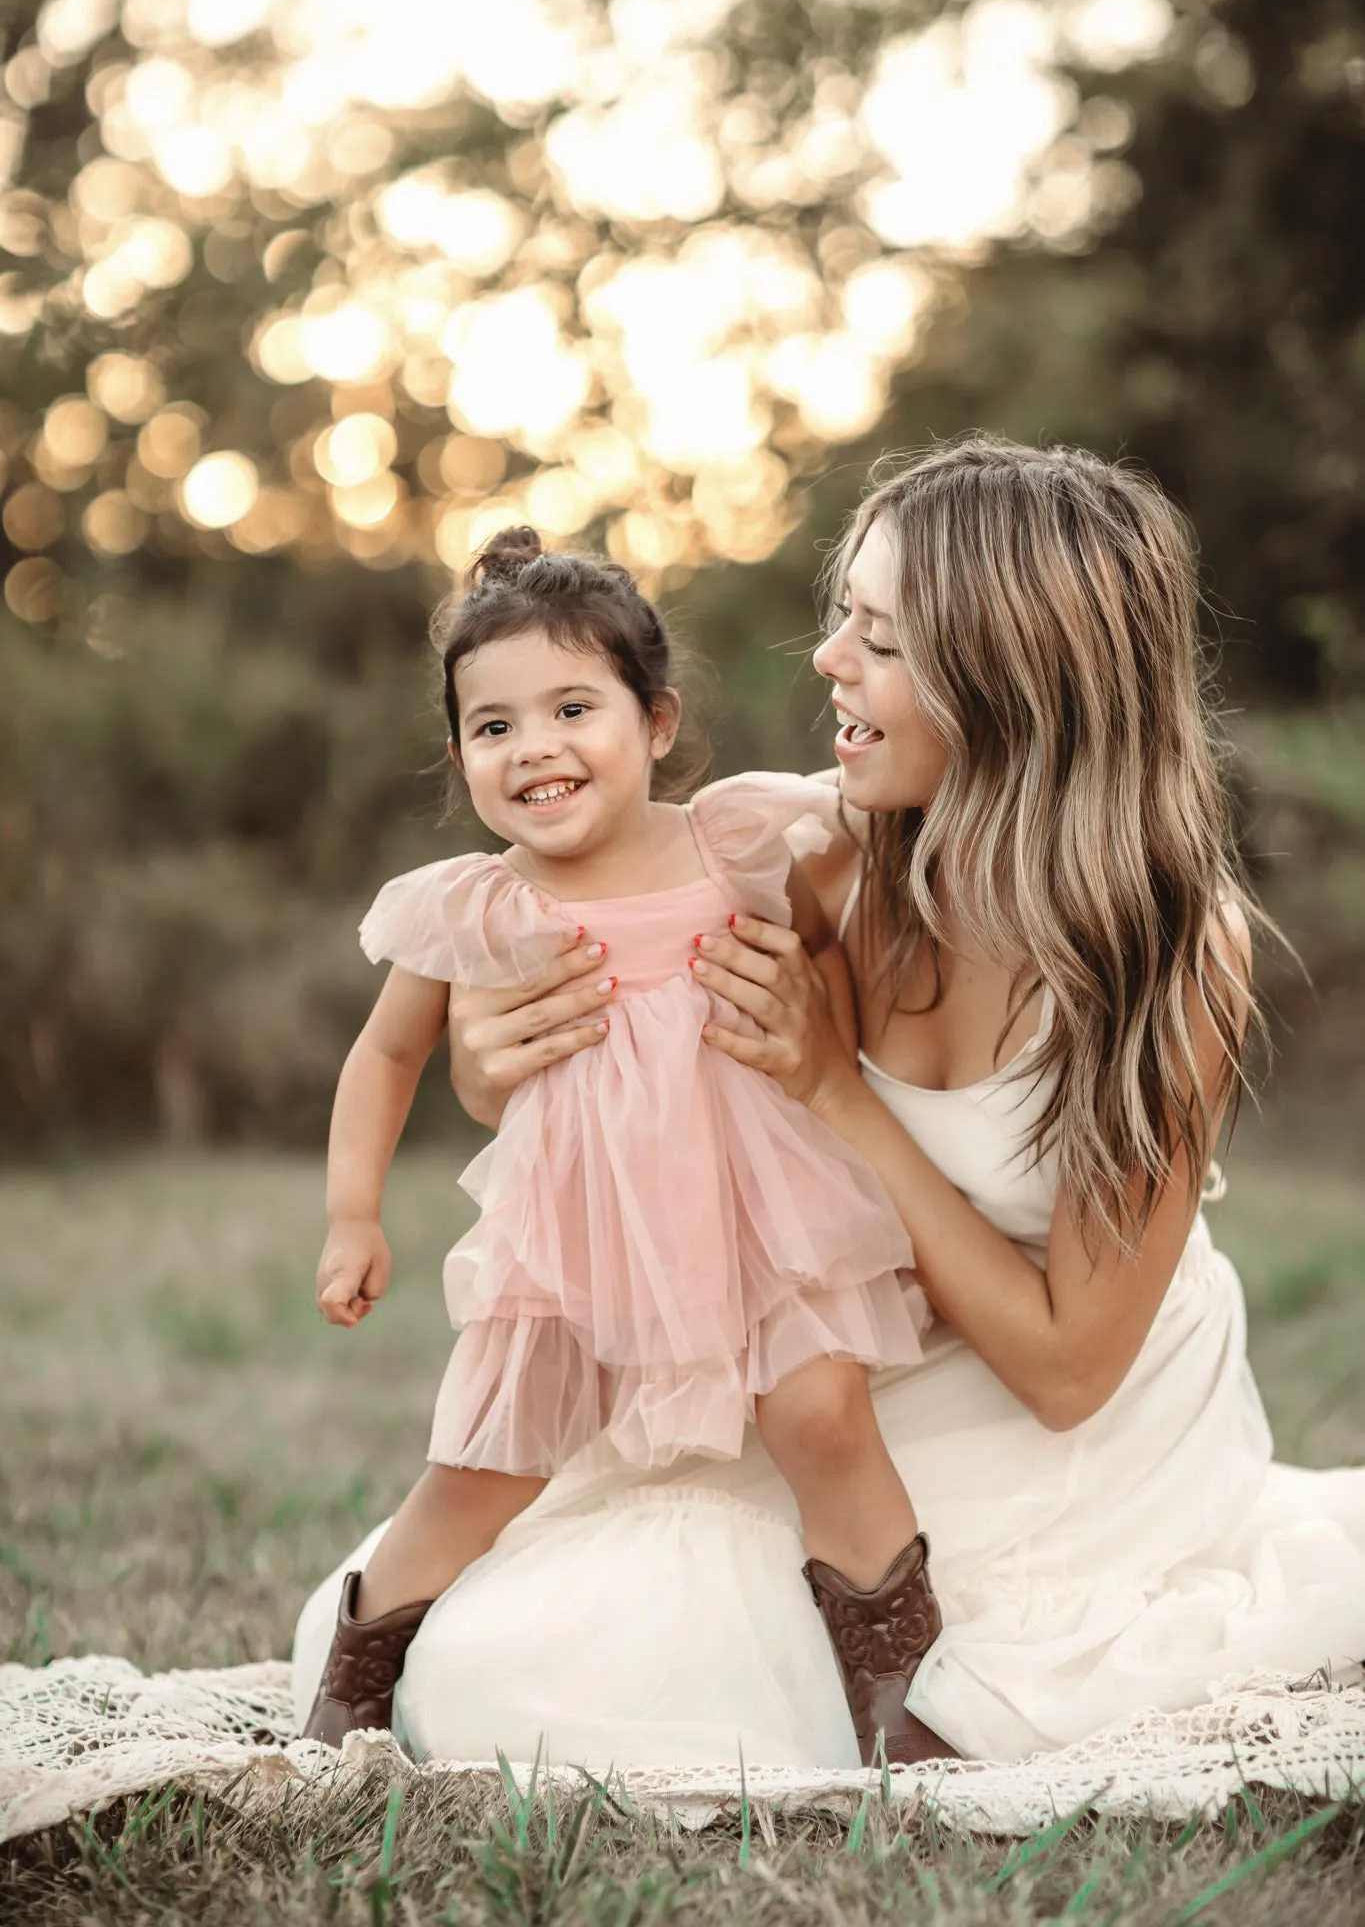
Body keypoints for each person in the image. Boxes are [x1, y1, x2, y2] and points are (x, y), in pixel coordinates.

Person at [294, 438, 1365, 1770]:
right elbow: (622, 1031)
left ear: (1011, 680)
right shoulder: (820, 862)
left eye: (880, 638)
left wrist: (834, 1096)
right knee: (496, 1646)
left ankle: (900, 1705)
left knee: (590, 1671)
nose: (826, 664)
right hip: (881, 1347)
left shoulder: (1171, 946)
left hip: (1083, 1407)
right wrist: (486, 1055)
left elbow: (1067, 1370)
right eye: (841, 621)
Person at [300, 527, 940, 1761]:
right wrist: (351, 1212)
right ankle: (358, 1675)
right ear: (460, 758)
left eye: (572, 706)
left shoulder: (734, 842)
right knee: (482, 1465)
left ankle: (895, 1684)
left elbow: (823, 974)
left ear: (657, 722)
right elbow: (383, 1058)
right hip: (576, 1235)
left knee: (823, 1414)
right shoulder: (478, 904)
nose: (533, 745)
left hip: (763, 1210)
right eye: (493, 727)